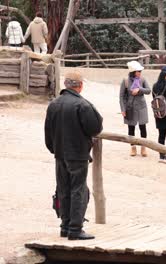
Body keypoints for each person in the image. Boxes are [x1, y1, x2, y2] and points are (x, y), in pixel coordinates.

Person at [44, 71, 103, 240]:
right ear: (80, 85)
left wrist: (54, 149)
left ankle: (65, 226)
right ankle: (75, 229)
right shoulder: (82, 105)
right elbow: (95, 128)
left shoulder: (54, 104)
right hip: (77, 154)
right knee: (78, 189)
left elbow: (48, 131)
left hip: (60, 153)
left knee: (63, 189)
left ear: (66, 84)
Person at [119, 61, 151, 157]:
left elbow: (149, 90)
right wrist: (123, 109)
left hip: (141, 107)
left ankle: (143, 147)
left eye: (140, 71)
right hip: (130, 107)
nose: (140, 73)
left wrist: (139, 89)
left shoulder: (142, 79)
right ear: (133, 71)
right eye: (138, 71)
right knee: (131, 127)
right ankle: (133, 147)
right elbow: (121, 96)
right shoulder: (125, 81)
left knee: (143, 127)